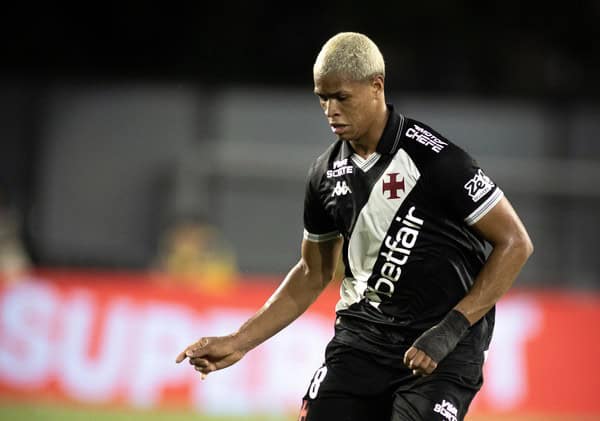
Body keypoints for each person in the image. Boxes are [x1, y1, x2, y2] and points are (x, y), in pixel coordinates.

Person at [176, 32, 533, 420]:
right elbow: (313, 272)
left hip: (440, 349)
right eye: (322, 98)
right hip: (361, 344)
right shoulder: (324, 174)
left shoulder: (437, 160)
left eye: (341, 97)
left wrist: (450, 329)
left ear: (376, 86)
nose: (330, 110)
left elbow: (515, 243)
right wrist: (238, 342)